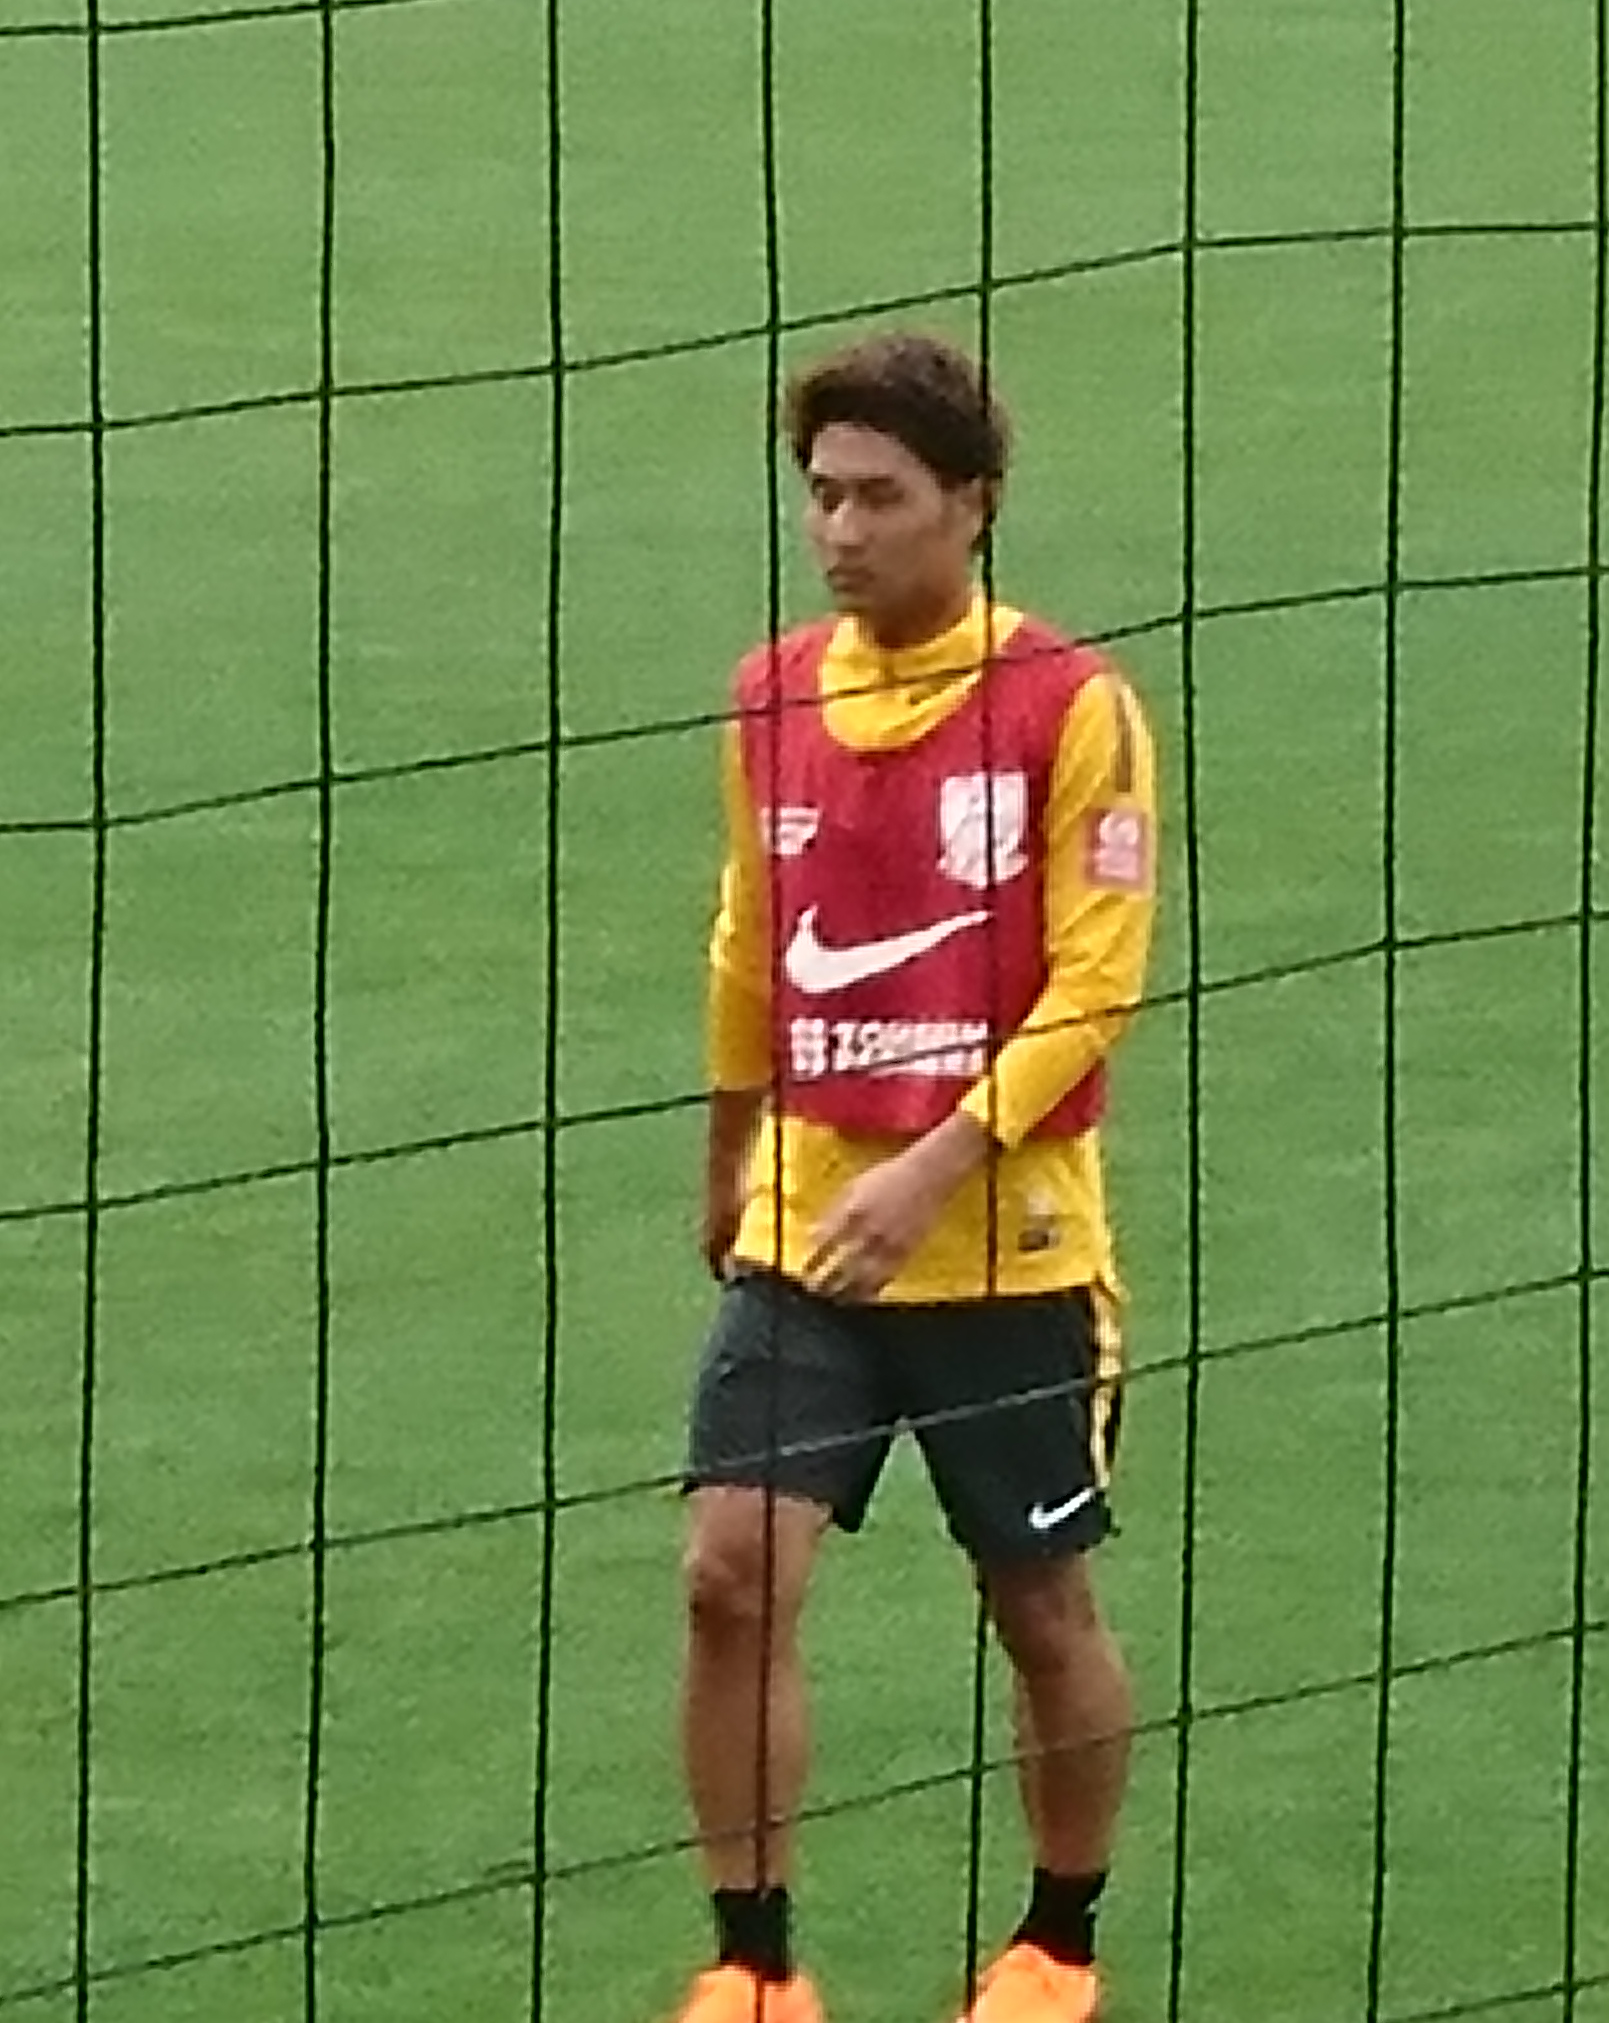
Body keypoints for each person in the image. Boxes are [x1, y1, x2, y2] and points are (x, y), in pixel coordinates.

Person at [669, 330, 1159, 2023]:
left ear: (974, 502)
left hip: (1010, 1251)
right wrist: (732, 1162)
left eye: (879, 497)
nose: (840, 531)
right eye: (822, 495)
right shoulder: (773, 695)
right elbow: (748, 940)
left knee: (1040, 1606)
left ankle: (1056, 1945)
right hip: (810, 1238)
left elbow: (1095, 985)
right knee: (729, 1575)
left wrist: (936, 1163)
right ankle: (754, 1968)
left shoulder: (1071, 708)